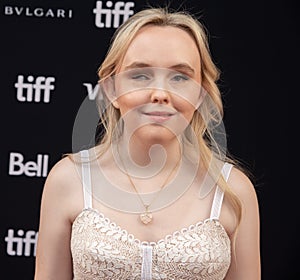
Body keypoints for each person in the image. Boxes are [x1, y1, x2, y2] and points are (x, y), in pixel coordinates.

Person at [34, 7, 261, 280]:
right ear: (111, 90)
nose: (160, 93)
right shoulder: (68, 179)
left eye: (180, 77)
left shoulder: (234, 191)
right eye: (140, 75)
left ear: (201, 94)